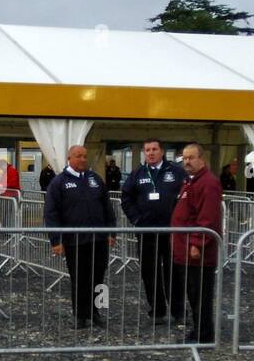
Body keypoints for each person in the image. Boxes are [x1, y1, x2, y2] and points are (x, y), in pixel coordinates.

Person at [44, 145, 116, 329]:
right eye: (78, 156)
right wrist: (56, 240)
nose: (83, 159)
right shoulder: (59, 182)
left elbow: (107, 208)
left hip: (99, 239)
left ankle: (97, 311)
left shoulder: (95, 179)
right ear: (69, 158)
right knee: (79, 278)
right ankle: (80, 315)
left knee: (99, 277)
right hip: (75, 241)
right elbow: (51, 213)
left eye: (85, 156)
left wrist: (111, 232)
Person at [121, 138, 185, 325]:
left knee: (174, 272)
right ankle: (157, 311)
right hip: (147, 232)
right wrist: (136, 219)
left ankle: (178, 311)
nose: (150, 153)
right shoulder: (137, 174)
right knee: (150, 272)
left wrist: (181, 220)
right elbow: (126, 197)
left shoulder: (176, 172)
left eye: (154, 149)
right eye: (147, 150)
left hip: (172, 232)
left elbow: (187, 196)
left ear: (162, 151)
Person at [171, 143, 222, 344]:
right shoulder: (190, 182)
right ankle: (199, 330)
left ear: (202, 159)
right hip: (184, 249)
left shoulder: (208, 183)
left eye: (191, 158)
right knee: (193, 294)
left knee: (200, 294)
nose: (187, 162)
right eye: (184, 158)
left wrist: (197, 243)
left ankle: (203, 334)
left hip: (198, 253)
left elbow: (207, 217)